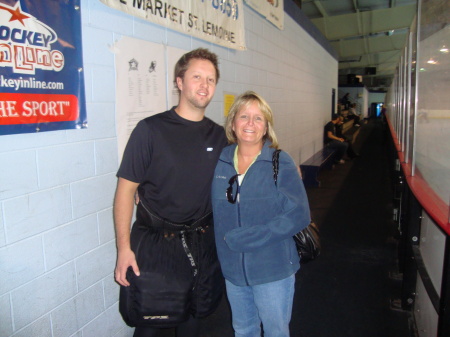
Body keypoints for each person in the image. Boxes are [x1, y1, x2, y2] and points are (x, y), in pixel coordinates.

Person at [114, 48, 227, 337]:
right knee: (150, 324)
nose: (204, 85)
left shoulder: (219, 135)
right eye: (197, 77)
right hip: (157, 245)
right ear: (180, 82)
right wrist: (123, 249)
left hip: (201, 243)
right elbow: (125, 192)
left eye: (211, 79)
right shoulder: (150, 130)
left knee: (193, 319)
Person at [211, 91, 311, 337]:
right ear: (233, 123)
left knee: (275, 331)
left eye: (258, 118)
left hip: (272, 268)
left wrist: (255, 236)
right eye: (244, 116)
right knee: (243, 329)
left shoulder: (280, 162)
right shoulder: (221, 161)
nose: (250, 124)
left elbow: (299, 214)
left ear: (266, 127)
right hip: (233, 269)